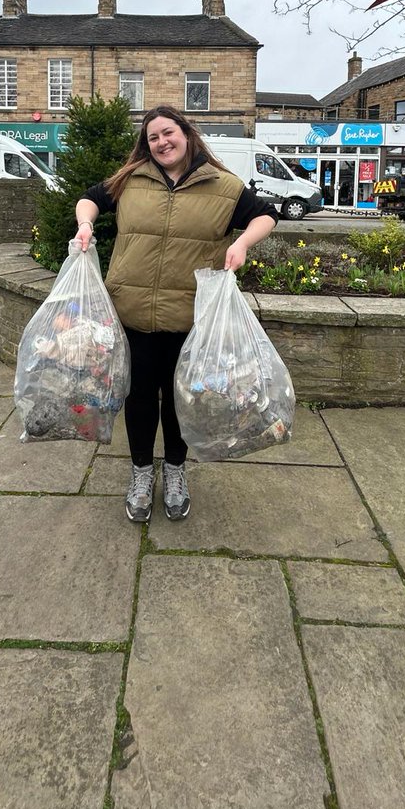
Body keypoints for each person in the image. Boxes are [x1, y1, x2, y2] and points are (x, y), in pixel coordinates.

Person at [74, 106, 278, 523]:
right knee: (140, 397)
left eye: (169, 133)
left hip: (188, 315)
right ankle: (141, 474)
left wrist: (241, 245)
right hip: (133, 312)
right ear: (146, 145)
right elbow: (89, 200)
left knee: (180, 401)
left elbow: (265, 215)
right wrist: (85, 225)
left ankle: (175, 471)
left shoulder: (224, 186)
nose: (162, 142)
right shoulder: (131, 179)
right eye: (153, 138)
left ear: (186, 134)